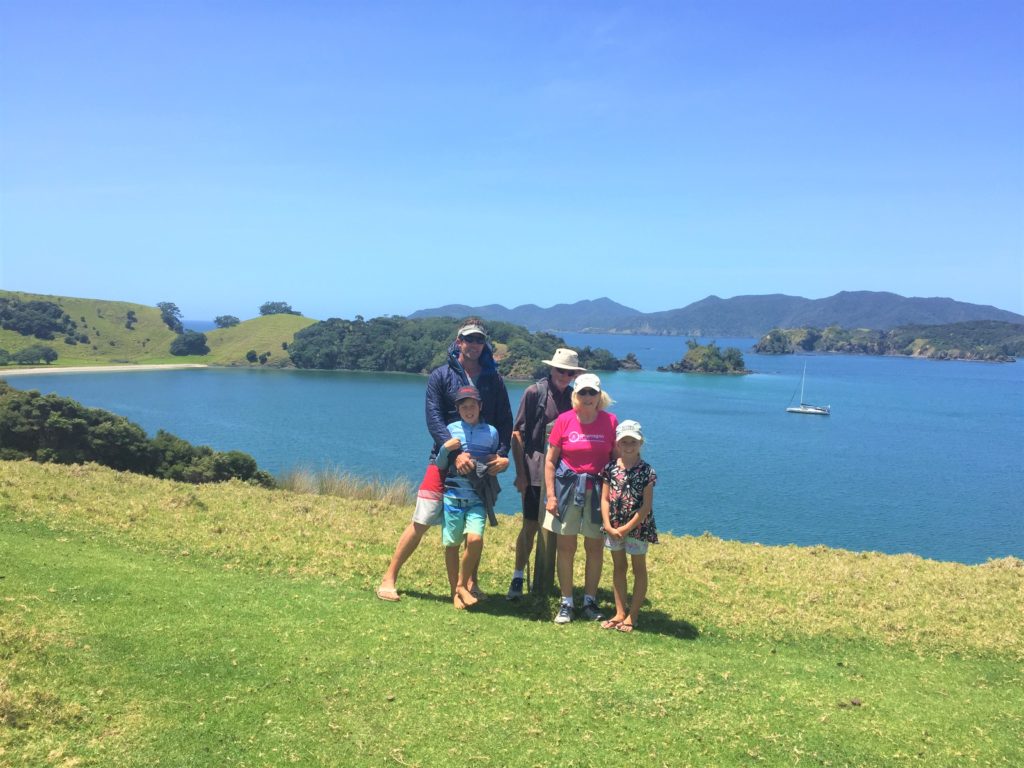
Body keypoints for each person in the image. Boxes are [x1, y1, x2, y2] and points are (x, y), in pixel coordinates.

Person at [376, 320, 513, 602]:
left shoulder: (493, 379)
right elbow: (434, 418)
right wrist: (455, 453)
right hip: (442, 460)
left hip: (480, 464)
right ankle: (389, 577)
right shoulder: (441, 375)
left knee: (473, 523)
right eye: (468, 339)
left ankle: (467, 584)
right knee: (422, 518)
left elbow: (504, 419)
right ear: (458, 341)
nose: (474, 344)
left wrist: (501, 455)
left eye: (479, 340)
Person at [506, 348, 586, 599]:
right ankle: (518, 576)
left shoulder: (575, 398)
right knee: (530, 525)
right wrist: (521, 473)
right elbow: (516, 434)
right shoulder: (534, 393)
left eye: (569, 372)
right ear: (551, 369)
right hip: (534, 470)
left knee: (556, 528)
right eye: (560, 370)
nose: (564, 375)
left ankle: (546, 580)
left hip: (564, 474)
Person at [542, 372, 617, 624]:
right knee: (566, 547)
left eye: (592, 393)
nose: (587, 397)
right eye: (582, 392)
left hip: (599, 492)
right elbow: (550, 462)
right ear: (576, 395)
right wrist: (550, 496)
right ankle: (566, 602)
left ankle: (589, 600)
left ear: (599, 396)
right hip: (567, 491)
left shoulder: (610, 421)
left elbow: (616, 461)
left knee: (594, 547)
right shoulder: (564, 420)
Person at [435, 385, 505, 609]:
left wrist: (500, 462)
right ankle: (455, 592)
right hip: (453, 496)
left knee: (475, 539)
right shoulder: (451, 429)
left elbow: (494, 459)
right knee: (452, 544)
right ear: (458, 409)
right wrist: (446, 450)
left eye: (472, 405)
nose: (468, 410)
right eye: (463, 406)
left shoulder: (492, 432)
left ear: (480, 406)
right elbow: (440, 464)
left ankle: (461, 585)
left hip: (477, 497)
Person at [599, 420, 658, 633]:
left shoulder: (647, 471)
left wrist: (626, 528)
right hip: (613, 526)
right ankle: (619, 612)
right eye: (624, 441)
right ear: (617, 443)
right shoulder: (610, 468)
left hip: (638, 528)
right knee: (618, 567)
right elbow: (604, 499)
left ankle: (633, 615)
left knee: (638, 569)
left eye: (633, 441)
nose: (629, 445)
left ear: (640, 443)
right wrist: (607, 525)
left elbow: (646, 506)